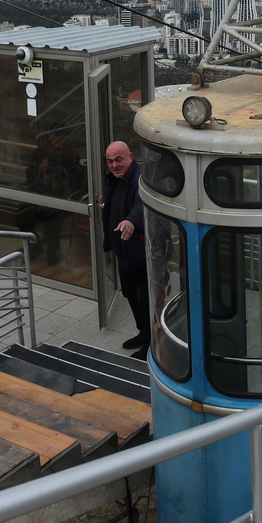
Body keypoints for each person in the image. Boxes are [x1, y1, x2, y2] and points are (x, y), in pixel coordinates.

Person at [103, 140, 150, 359]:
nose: (114, 165)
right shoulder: (116, 180)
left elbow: (142, 205)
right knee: (130, 294)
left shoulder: (141, 179)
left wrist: (131, 221)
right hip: (124, 252)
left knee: (145, 299)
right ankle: (142, 333)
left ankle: (150, 344)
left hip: (141, 255)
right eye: (110, 161)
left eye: (118, 159)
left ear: (130, 156)